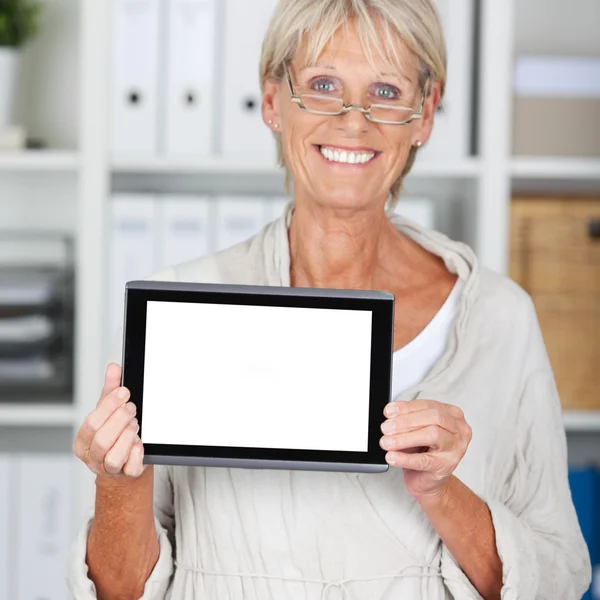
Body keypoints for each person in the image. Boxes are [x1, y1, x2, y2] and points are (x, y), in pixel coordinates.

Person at [67, 0, 592, 598]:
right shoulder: (177, 318)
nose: (354, 120)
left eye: (386, 91)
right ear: (272, 102)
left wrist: (441, 489)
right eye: (322, 85)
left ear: (425, 113)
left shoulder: (500, 318)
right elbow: (119, 591)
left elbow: (559, 575)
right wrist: (117, 484)